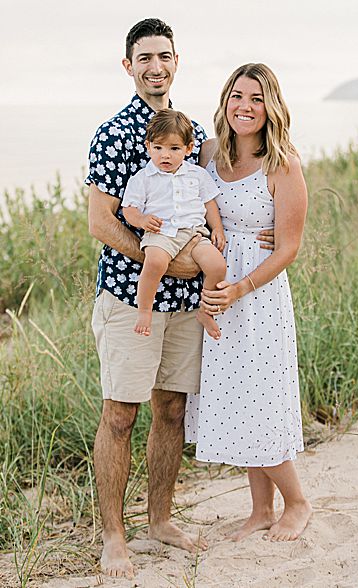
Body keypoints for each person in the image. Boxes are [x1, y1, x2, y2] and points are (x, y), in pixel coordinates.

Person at [86, 18, 210, 579]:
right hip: (127, 296)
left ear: (176, 61)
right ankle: (114, 535)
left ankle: (159, 520)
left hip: (185, 303)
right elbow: (102, 223)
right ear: (128, 66)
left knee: (173, 408)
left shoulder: (196, 134)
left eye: (164, 56)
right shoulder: (113, 135)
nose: (155, 67)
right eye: (144, 58)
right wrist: (160, 260)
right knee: (119, 415)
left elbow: (209, 207)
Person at [185, 62, 312, 543]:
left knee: (261, 399)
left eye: (256, 98)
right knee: (238, 400)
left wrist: (240, 286)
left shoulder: (284, 164)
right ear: (225, 100)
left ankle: (297, 502)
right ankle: (261, 509)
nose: (245, 106)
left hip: (256, 296)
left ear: (270, 106)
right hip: (216, 284)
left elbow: (288, 247)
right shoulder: (209, 154)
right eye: (238, 95)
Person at [121, 108, 227, 339]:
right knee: (155, 262)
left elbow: (209, 202)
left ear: (188, 149)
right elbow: (128, 209)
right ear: (148, 146)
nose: (165, 156)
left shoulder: (197, 174)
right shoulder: (143, 178)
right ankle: (145, 310)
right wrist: (142, 220)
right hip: (162, 232)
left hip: (195, 233)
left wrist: (216, 228)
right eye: (158, 148)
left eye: (174, 149)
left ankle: (206, 311)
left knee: (217, 265)